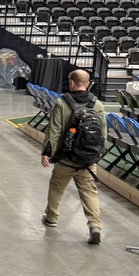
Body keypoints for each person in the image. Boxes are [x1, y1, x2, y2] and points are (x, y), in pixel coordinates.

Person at [41, 69, 107, 244]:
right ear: (87, 83)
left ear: (71, 83)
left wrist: (47, 152)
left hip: (66, 159)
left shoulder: (62, 103)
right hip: (87, 161)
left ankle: (52, 218)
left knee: (56, 187)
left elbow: (53, 131)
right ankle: (94, 226)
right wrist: (96, 155)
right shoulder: (98, 105)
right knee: (89, 191)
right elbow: (103, 134)